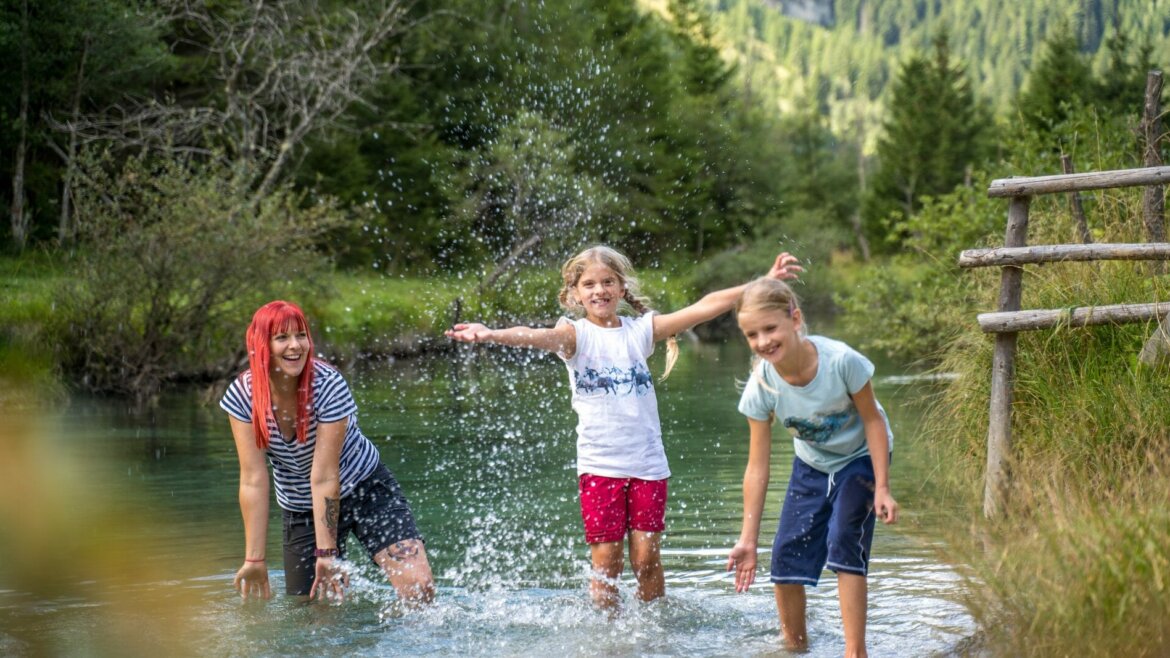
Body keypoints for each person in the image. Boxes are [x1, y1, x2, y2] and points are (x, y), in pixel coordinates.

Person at [446, 246, 802, 609]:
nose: (598, 290)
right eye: (589, 284)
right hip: (600, 466)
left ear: (620, 288)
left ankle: (653, 631)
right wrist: (491, 334)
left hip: (648, 464)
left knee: (646, 560)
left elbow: (702, 307)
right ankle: (608, 636)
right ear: (575, 293)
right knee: (607, 563)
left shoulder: (640, 331)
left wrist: (762, 283)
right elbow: (534, 335)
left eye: (607, 282)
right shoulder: (574, 335)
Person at [726, 278, 898, 657]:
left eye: (770, 328)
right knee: (784, 557)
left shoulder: (841, 362)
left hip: (862, 457)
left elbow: (873, 421)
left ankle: (855, 651)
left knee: (842, 539)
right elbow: (757, 468)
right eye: (752, 334)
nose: (763, 341)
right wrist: (748, 539)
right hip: (812, 465)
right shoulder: (762, 387)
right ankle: (794, 647)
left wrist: (882, 487)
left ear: (795, 319)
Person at [221, 300, 435, 605]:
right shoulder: (243, 396)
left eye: (301, 335)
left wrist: (326, 553)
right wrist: (254, 560)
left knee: (419, 587)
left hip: (366, 490)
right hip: (302, 508)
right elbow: (253, 479)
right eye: (282, 338)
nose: (295, 346)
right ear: (261, 345)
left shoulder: (328, 385)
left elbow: (324, 475)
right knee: (314, 614)